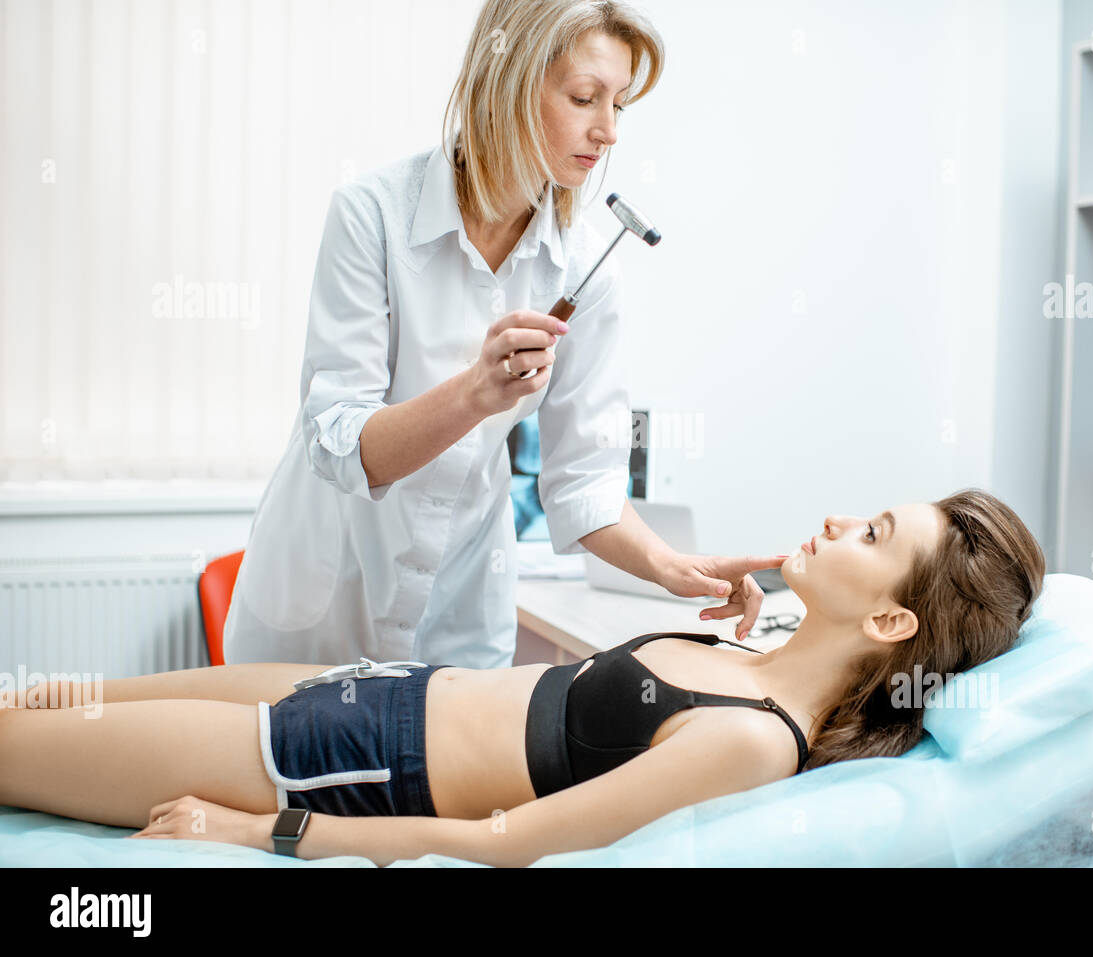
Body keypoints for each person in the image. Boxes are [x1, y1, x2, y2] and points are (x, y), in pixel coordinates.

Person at [1, 489, 1046, 868]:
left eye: (870, 532)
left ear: (891, 617)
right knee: (34, 698)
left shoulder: (749, 735)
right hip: (368, 683)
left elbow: (502, 846)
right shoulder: (747, 661)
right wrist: (769, 613)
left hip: (344, 760)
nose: (834, 521)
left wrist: (264, 833)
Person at [223, 0, 778, 671]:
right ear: (509, 81)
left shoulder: (583, 270)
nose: (607, 132)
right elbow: (340, 441)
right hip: (321, 609)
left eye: (619, 105)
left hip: (457, 616)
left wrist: (675, 565)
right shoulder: (372, 217)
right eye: (584, 97)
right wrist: (476, 394)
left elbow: (584, 485)